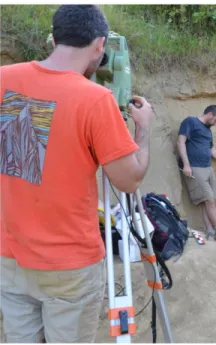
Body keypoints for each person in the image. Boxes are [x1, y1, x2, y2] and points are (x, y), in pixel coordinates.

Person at [0, 5, 153, 343]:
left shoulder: (4, 78)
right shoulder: (96, 100)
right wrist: (142, 131)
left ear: (53, 38)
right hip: (68, 266)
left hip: (10, 257)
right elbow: (129, 180)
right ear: (100, 45)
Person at [177, 105, 216, 243]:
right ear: (210, 114)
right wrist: (186, 164)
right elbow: (181, 141)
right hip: (195, 168)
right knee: (209, 200)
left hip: (208, 168)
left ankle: (210, 231)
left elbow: (212, 150)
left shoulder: (208, 131)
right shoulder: (190, 122)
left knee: (211, 202)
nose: (215, 124)